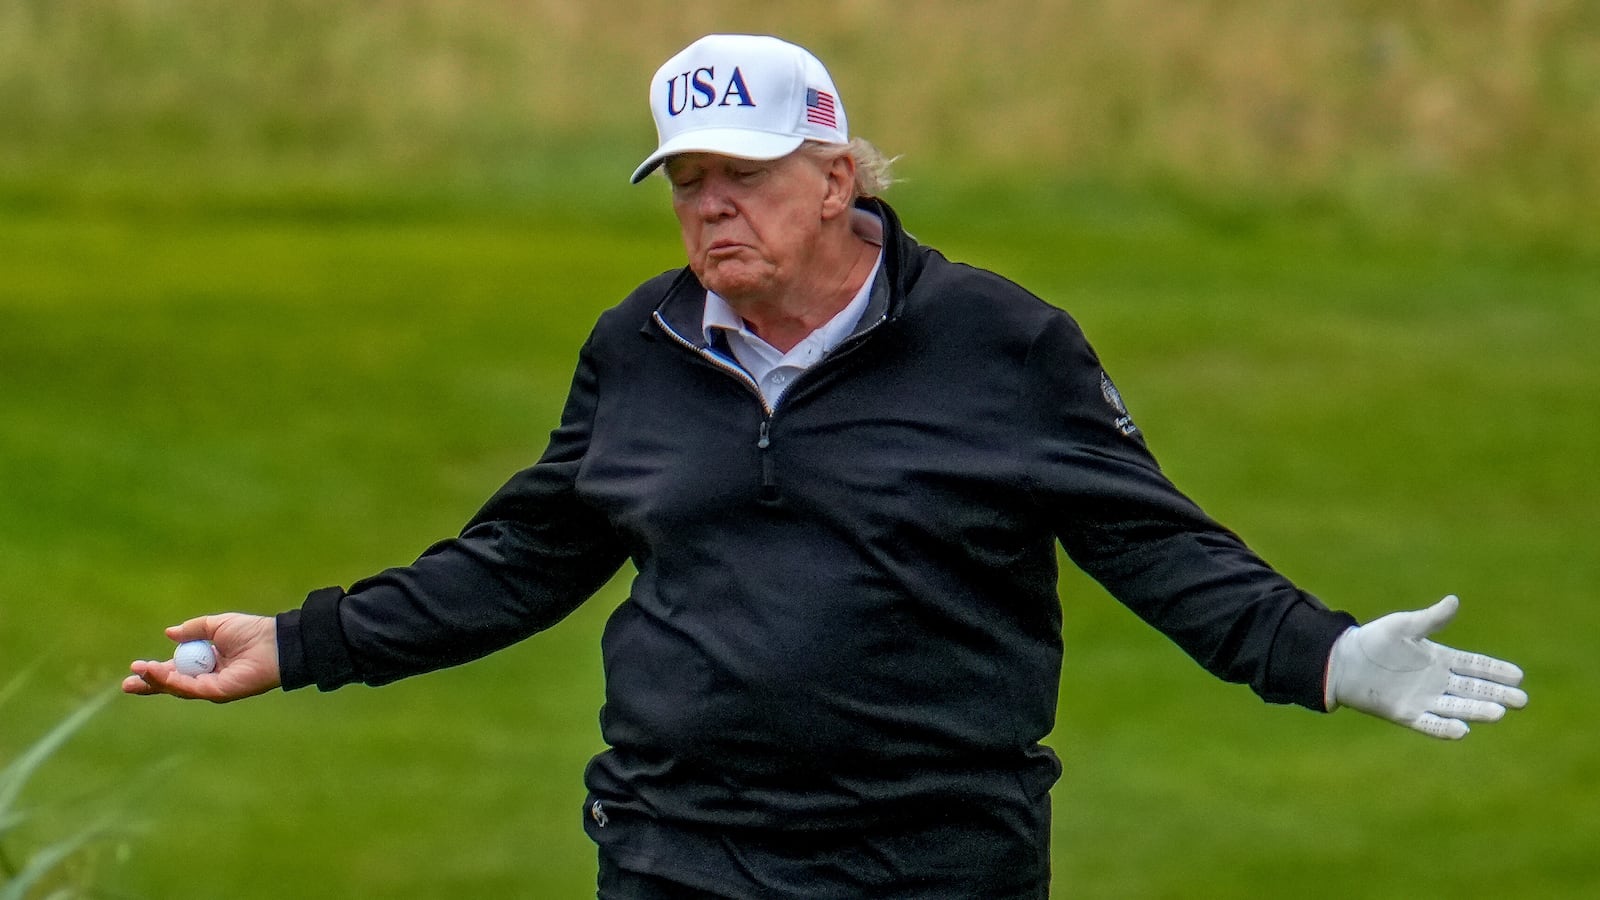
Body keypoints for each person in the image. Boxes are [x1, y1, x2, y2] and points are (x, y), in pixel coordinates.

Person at [124, 33, 1528, 899]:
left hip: (933, 865)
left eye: (740, 170)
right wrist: (303, 643)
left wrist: (1329, 657)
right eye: (684, 178)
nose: (709, 205)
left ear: (837, 175)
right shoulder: (643, 342)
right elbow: (525, 554)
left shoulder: (999, 343)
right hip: (676, 853)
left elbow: (1156, 543)